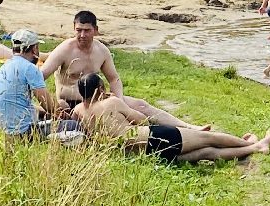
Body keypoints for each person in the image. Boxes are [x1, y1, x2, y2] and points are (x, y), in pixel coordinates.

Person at [38, 11, 200, 127]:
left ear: (96, 30)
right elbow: (40, 76)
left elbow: (114, 79)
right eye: (78, 30)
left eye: (86, 31)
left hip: (98, 98)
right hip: (69, 103)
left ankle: (185, 126)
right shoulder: (65, 49)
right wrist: (50, 102)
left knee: (140, 105)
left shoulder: (101, 51)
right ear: (74, 29)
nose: (82, 35)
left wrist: (119, 99)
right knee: (62, 106)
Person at [72, 73, 270, 164]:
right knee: (208, 139)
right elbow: (141, 119)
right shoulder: (111, 102)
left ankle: (252, 148)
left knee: (205, 153)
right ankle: (254, 145)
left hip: (140, 155)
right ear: (100, 89)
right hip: (151, 138)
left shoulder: (78, 111)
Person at [0, 30, 82, 141]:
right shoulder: (29, 68)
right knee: (73, 126)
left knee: (48, 113)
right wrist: (63, 115)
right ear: (34, 49)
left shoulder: (5, 66)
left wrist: (45, 112)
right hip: (21, 131)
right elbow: (48, 104)